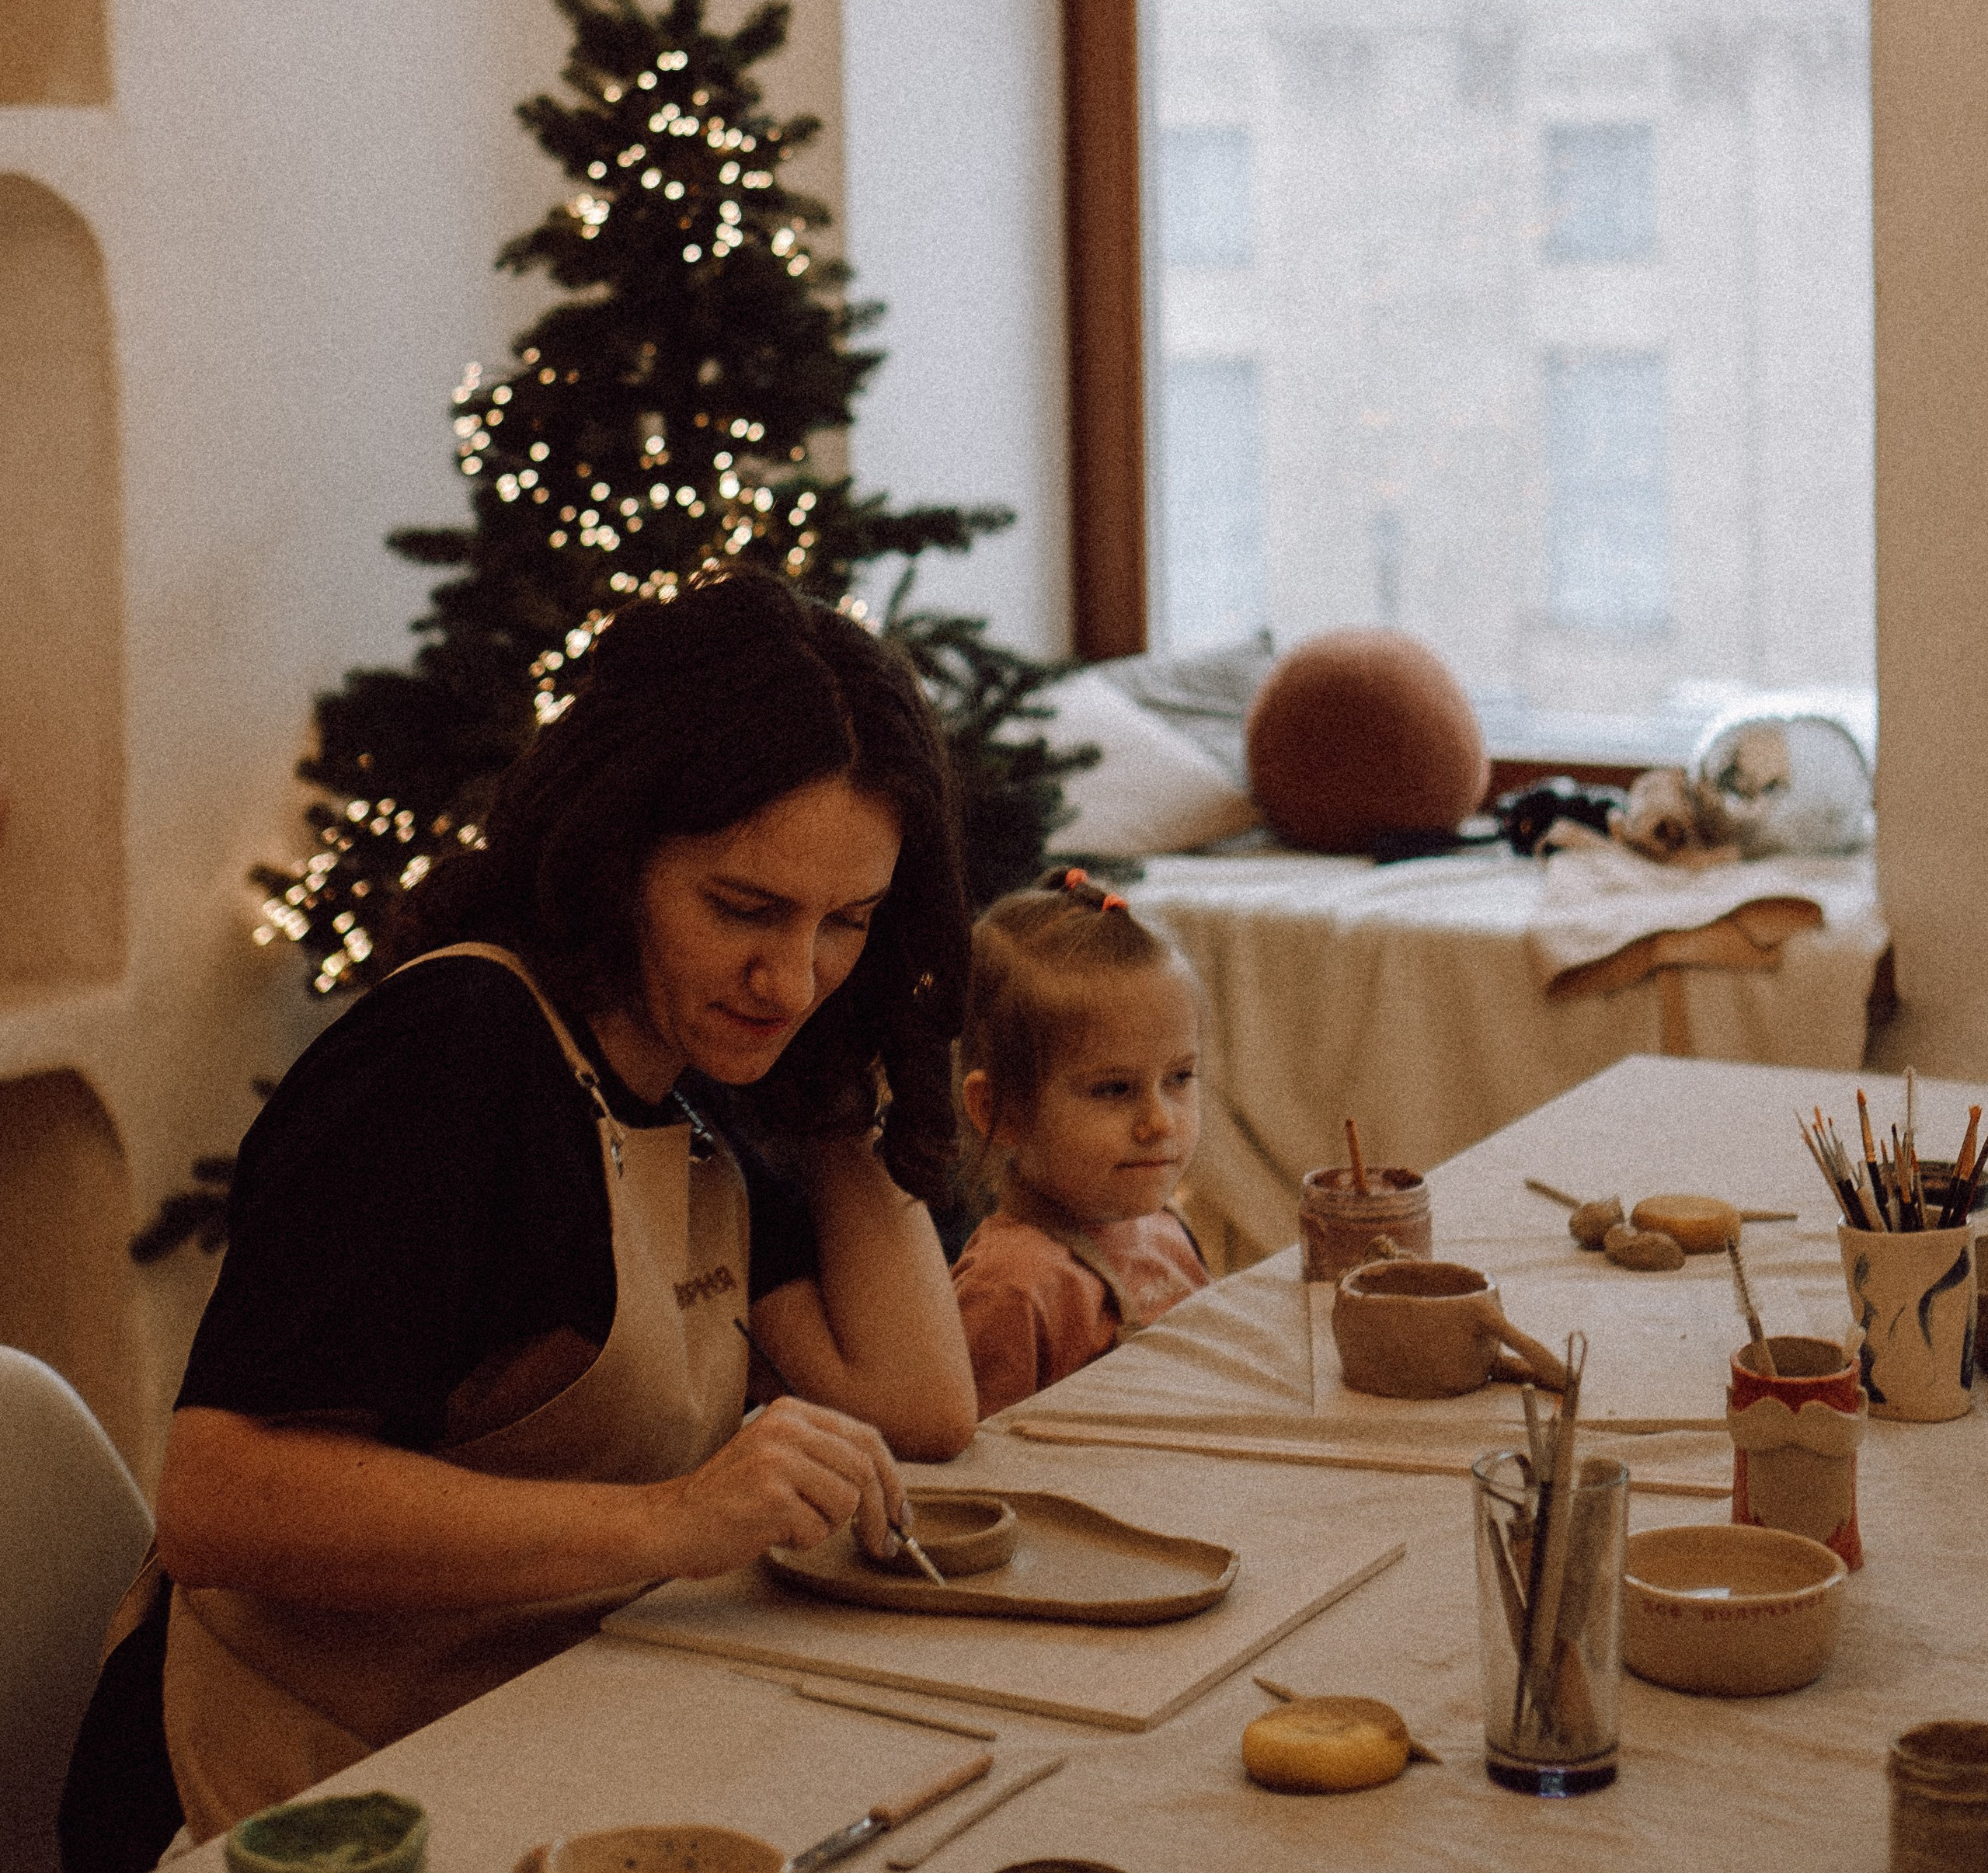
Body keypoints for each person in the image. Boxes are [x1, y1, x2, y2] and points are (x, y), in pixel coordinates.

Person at [64, 569, 978, 1860]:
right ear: (616, 850)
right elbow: (221, 1502)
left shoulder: (700, 1080)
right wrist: (670, 1522)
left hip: (519, 1732)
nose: (788, 977)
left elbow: (920, 1406)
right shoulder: (455, 1053)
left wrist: (847, 1060)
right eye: (744, 909)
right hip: (285, 1798)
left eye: (850, 921)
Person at [949, 872, 1208, 1419]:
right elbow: (977, 1464)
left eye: (1180, 1077)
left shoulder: (1165, 1228)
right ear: (1000, 1110)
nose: (1160, 1122)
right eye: (1113, 1089)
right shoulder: (1011, 1286)